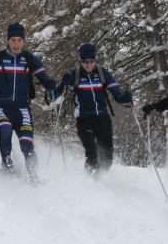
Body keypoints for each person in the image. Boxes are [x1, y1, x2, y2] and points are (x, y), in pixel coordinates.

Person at [0, 23, 58, 174]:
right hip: (1, 108)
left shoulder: (30, 59)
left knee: (27, 143)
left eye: (19, 40)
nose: (16, 44)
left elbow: (44, 79)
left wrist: (50, 85)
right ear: (8, 40)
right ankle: (7, 166)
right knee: (5, 132)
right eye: (13, 40)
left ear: (24, 41)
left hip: (22, 109)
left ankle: (34, 176)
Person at [56, 43, 133, 174]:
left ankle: (102, 179)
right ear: (80, 61)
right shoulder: (75, 74)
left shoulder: (102, 73)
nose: (89, 65)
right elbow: (56, 93)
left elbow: (116, 93)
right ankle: (91, 182)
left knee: (107, 155)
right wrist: (64, 83)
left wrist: (125, 98)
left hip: (102, 118)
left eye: (91, 61)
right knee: (92, 153)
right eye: (85, 62)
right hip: (84, 119)